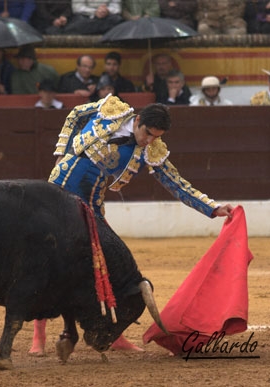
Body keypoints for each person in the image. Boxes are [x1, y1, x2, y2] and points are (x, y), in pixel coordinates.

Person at [29, 96, 234, 356]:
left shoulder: (151, 149)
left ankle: (115, 335)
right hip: (57, 191)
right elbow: (75, 115)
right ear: (137, 121)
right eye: (147, 133)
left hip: (91, 204)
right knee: (47, 260)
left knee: (109, 263)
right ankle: (39, 337)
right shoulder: (111, 109)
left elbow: (175, 181)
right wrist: (61, 152)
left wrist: (213, 207)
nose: (149, 140)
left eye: (155, 137)